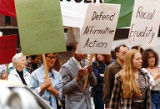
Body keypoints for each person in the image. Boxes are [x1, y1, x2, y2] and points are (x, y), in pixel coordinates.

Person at [61, 45, 97, 109]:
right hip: (74, 106)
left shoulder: (87, 63)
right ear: (73, 51)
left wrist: (91, 73)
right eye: (79, 51)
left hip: (88, 104)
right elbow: (64, 90)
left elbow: (94, 83)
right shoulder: (66, 67)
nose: (81, 54)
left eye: (82, 51)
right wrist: (77, 78)